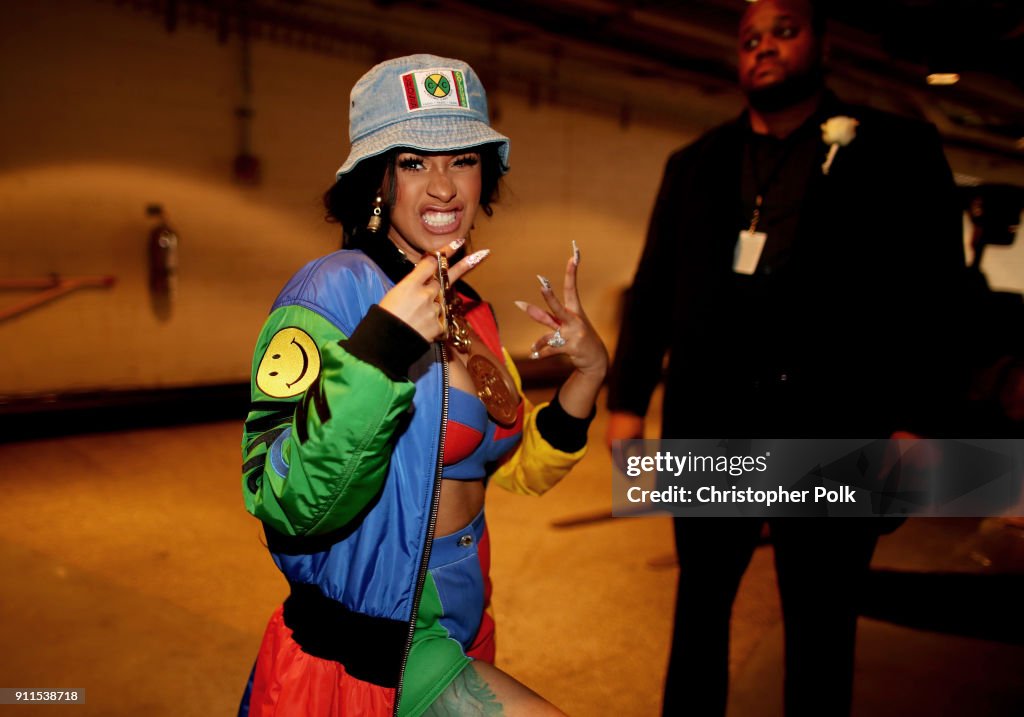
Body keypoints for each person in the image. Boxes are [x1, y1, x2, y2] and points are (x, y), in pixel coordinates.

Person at [606, 1, 969, 715]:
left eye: (784, 31)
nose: (764, 46)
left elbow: (938, 297)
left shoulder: (899, 150)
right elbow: (652, 289)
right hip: (712, 422)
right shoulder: (695, 164)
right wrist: (626, 404)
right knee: (700, 611)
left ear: (823, 44)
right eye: (750, 38)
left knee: (822, 623)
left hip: (838, 423)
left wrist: (919, 422)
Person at [237, 54, 607, 716]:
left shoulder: (472, 309)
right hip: (386, 627)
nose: (443, 187)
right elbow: (282, 496)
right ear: (378, 180)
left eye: (462, 159)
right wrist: (380, 350)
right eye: (413, 162)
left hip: (467, 604)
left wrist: (588, 375)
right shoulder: (332, 291)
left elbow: (514, 466)